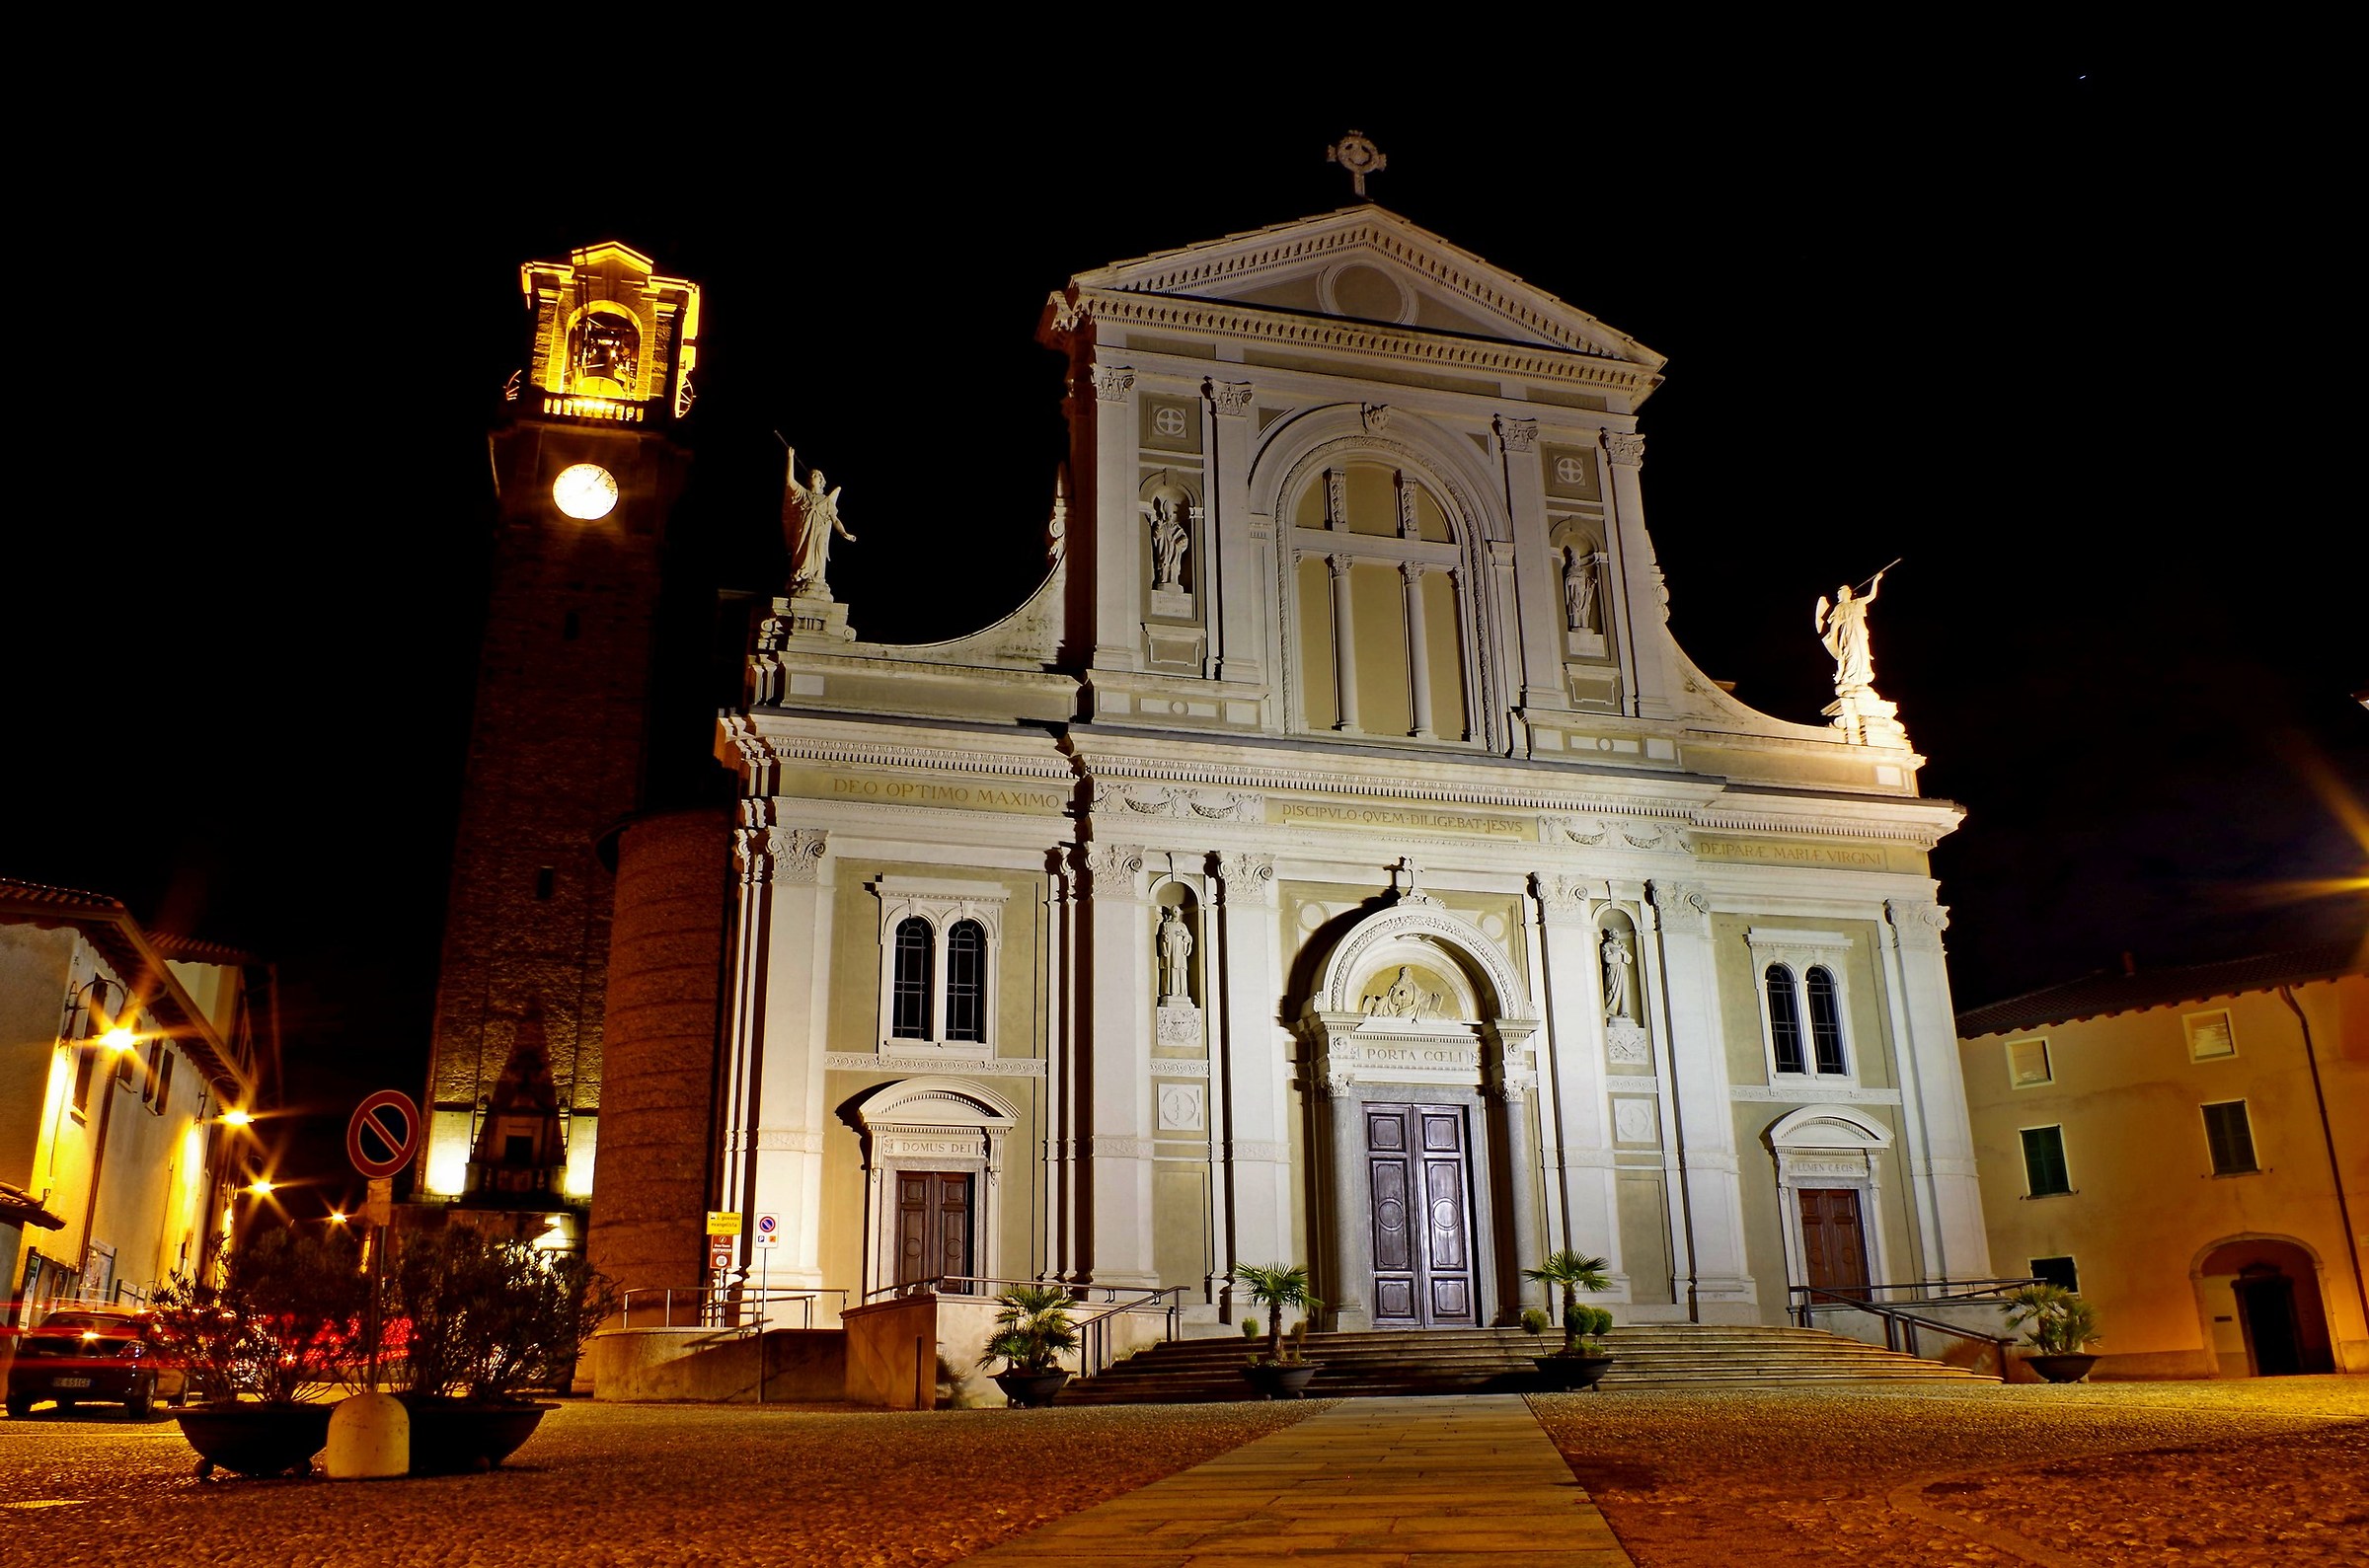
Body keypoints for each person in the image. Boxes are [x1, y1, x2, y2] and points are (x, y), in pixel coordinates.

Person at [782, 447, 857, 599]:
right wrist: (790, 458)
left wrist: (844, 533)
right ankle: (801, 580)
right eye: (811, 474)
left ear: (821, 480)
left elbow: (835, 519)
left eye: (817, 475)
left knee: (818, 557)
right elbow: (790, 481)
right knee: (802, 557)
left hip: (820, 535)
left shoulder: (826, 501)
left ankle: (815, 580)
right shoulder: (803, 494)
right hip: (804, 534)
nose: (813, 475)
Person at [1814, 569, 1884, 692]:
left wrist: (1876, 581)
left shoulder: (1857, 603)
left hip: (1860, 633)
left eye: (1841, 593)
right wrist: (1830, 635)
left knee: (1862, 653)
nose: (1839, 596)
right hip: (1848, 634)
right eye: (1838, 594)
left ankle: (1861, 678)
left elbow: (1871, 596)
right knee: (1851, 653)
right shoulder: (1839, 607)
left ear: (1848, 593)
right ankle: (1848, 677)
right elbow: (1835, 623)